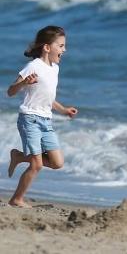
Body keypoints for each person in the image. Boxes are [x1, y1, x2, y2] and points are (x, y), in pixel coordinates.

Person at [7, 25, 78, 208]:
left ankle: (18, 156)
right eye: (61, 46)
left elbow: (48, 98)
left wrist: (63, 110)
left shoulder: (54, 68)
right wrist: (23, 83)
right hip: (29, 119)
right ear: (47, 47)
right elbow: (10, 91)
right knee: (37, 165)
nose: (64, 50)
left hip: (46, 120)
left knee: (57, 163)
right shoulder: (33, 66)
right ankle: (17, 199)